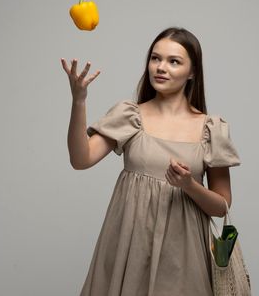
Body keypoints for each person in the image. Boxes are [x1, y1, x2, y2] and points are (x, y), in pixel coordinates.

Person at [61, 27, 241, 296]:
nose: (161, 67)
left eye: (174, 61)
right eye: (155, 58)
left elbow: (221, 205)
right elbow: (80, 159)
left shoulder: (210, 128)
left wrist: (189, 185)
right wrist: (79, 101)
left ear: (192, 72)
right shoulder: (130, 115)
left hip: (183, 256)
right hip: (128, 247)